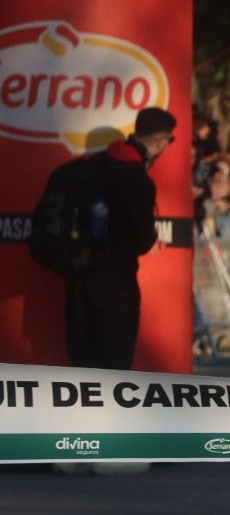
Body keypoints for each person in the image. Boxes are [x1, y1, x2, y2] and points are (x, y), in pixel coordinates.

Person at [48, 107, 177, 370]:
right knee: (113, 369)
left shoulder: (88, 168)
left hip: (78, 281)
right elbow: (143, 240)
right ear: (160, 141)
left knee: (82, 368)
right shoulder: (138, 180)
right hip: (115, 285)